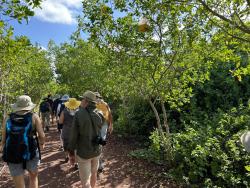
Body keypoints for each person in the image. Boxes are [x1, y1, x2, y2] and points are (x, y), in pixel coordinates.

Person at [0, 95, 45, 188]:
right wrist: (41, 143)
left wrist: (2, 147)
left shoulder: (8, 118)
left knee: (19, 183)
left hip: (12, 153)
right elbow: (42, 135)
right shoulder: (34, 117)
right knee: (33, 178)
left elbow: (3, 138)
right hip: (31, 151)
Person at [68, 90, 104, 188]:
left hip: (83, 152)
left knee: (85, 181)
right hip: (96, 150)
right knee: (94, 173)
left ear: (86, 101)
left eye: (82, 99)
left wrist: (71, 153)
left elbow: (73, 136)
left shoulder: (78, 114)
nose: (81, 101)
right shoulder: (100, 113)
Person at [58, 98, 80, 166]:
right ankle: (76, 163)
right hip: (76, 131)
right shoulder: (79, 111)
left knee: (66, 145)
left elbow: (60, 122)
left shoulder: (64, 111)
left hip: (66, 131)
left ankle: (66, 157)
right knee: (76, 147)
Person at [95, 92, 113, 172]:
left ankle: (99, 162)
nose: (97, 98)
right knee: (99, 142)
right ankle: (98, 162)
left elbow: (109, 114)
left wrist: (111, 125)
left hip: (101, 125)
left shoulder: (102, 104)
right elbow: (110, 114)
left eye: (97, 97)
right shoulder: (104, 103)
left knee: (99, 142)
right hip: (101, 125)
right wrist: (111, 125)